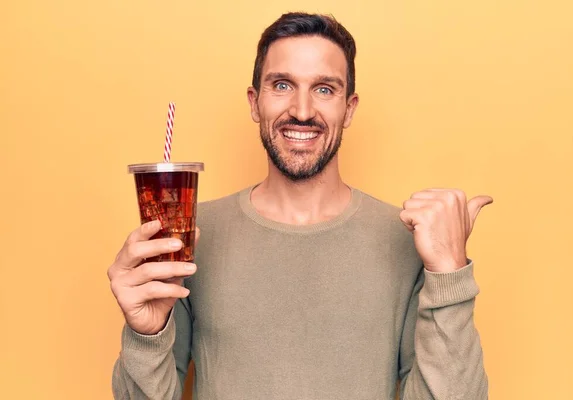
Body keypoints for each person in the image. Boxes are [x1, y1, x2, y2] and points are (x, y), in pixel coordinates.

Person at [109, 12, 491, 400]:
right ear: (255, 103)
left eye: (325, 89)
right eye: (282, 85)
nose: (303, 110)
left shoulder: (408, 239)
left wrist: (449, 275)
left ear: (350, 109)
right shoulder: (189, 236)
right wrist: (146, 335)